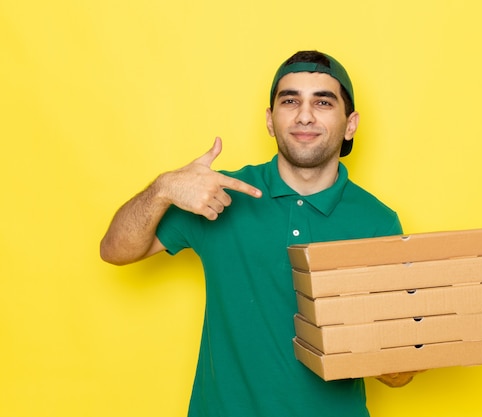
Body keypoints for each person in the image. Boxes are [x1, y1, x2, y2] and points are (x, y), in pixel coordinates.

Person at [100, 50, 414, 417]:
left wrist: (393, 357)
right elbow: (115, 250)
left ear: (350, 123)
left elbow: (398, 375)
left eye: (323, 102)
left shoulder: (377, 222)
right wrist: (163, 189)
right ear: (270, 119)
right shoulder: (218, 194)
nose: (305, 115)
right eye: (290, 100)